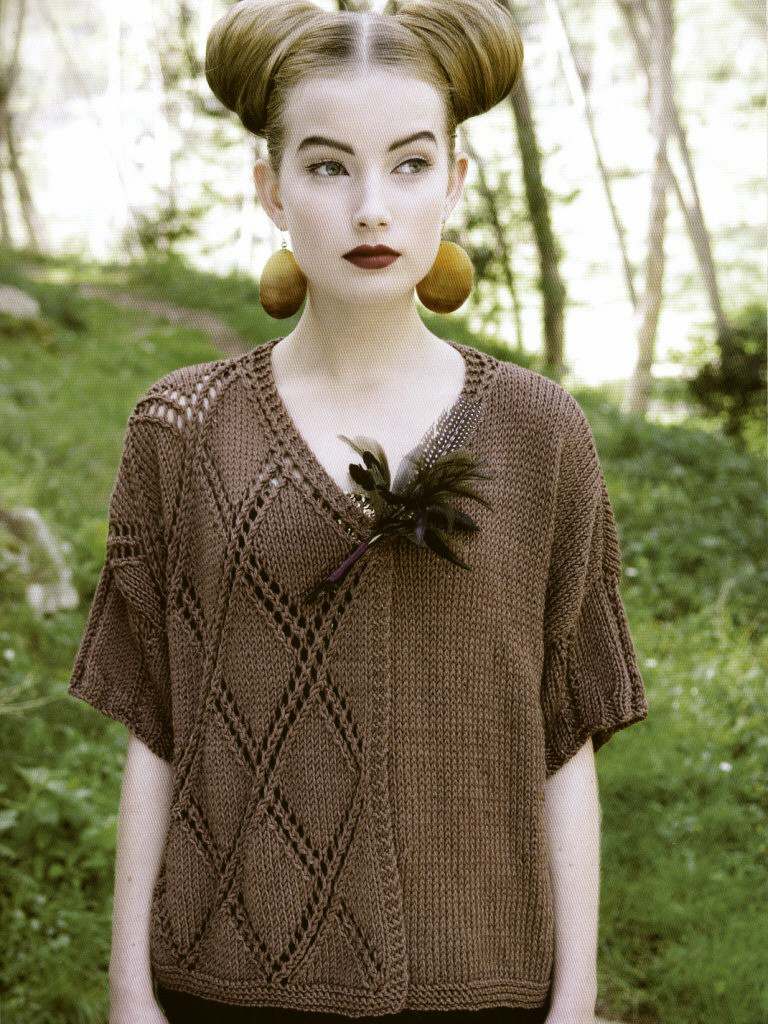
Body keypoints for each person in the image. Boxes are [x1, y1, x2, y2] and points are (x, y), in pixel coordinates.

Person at [67, 2, 649, 1023]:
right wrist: (128, 994)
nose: (372, 208)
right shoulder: (182, 428)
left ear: (454, 181)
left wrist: (576, 1001)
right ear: (271, 188)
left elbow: (566, 735)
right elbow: (155, 726)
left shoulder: (539, 430)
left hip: (485, 982)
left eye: (409, 164)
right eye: (329, 166)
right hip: (225, 981)